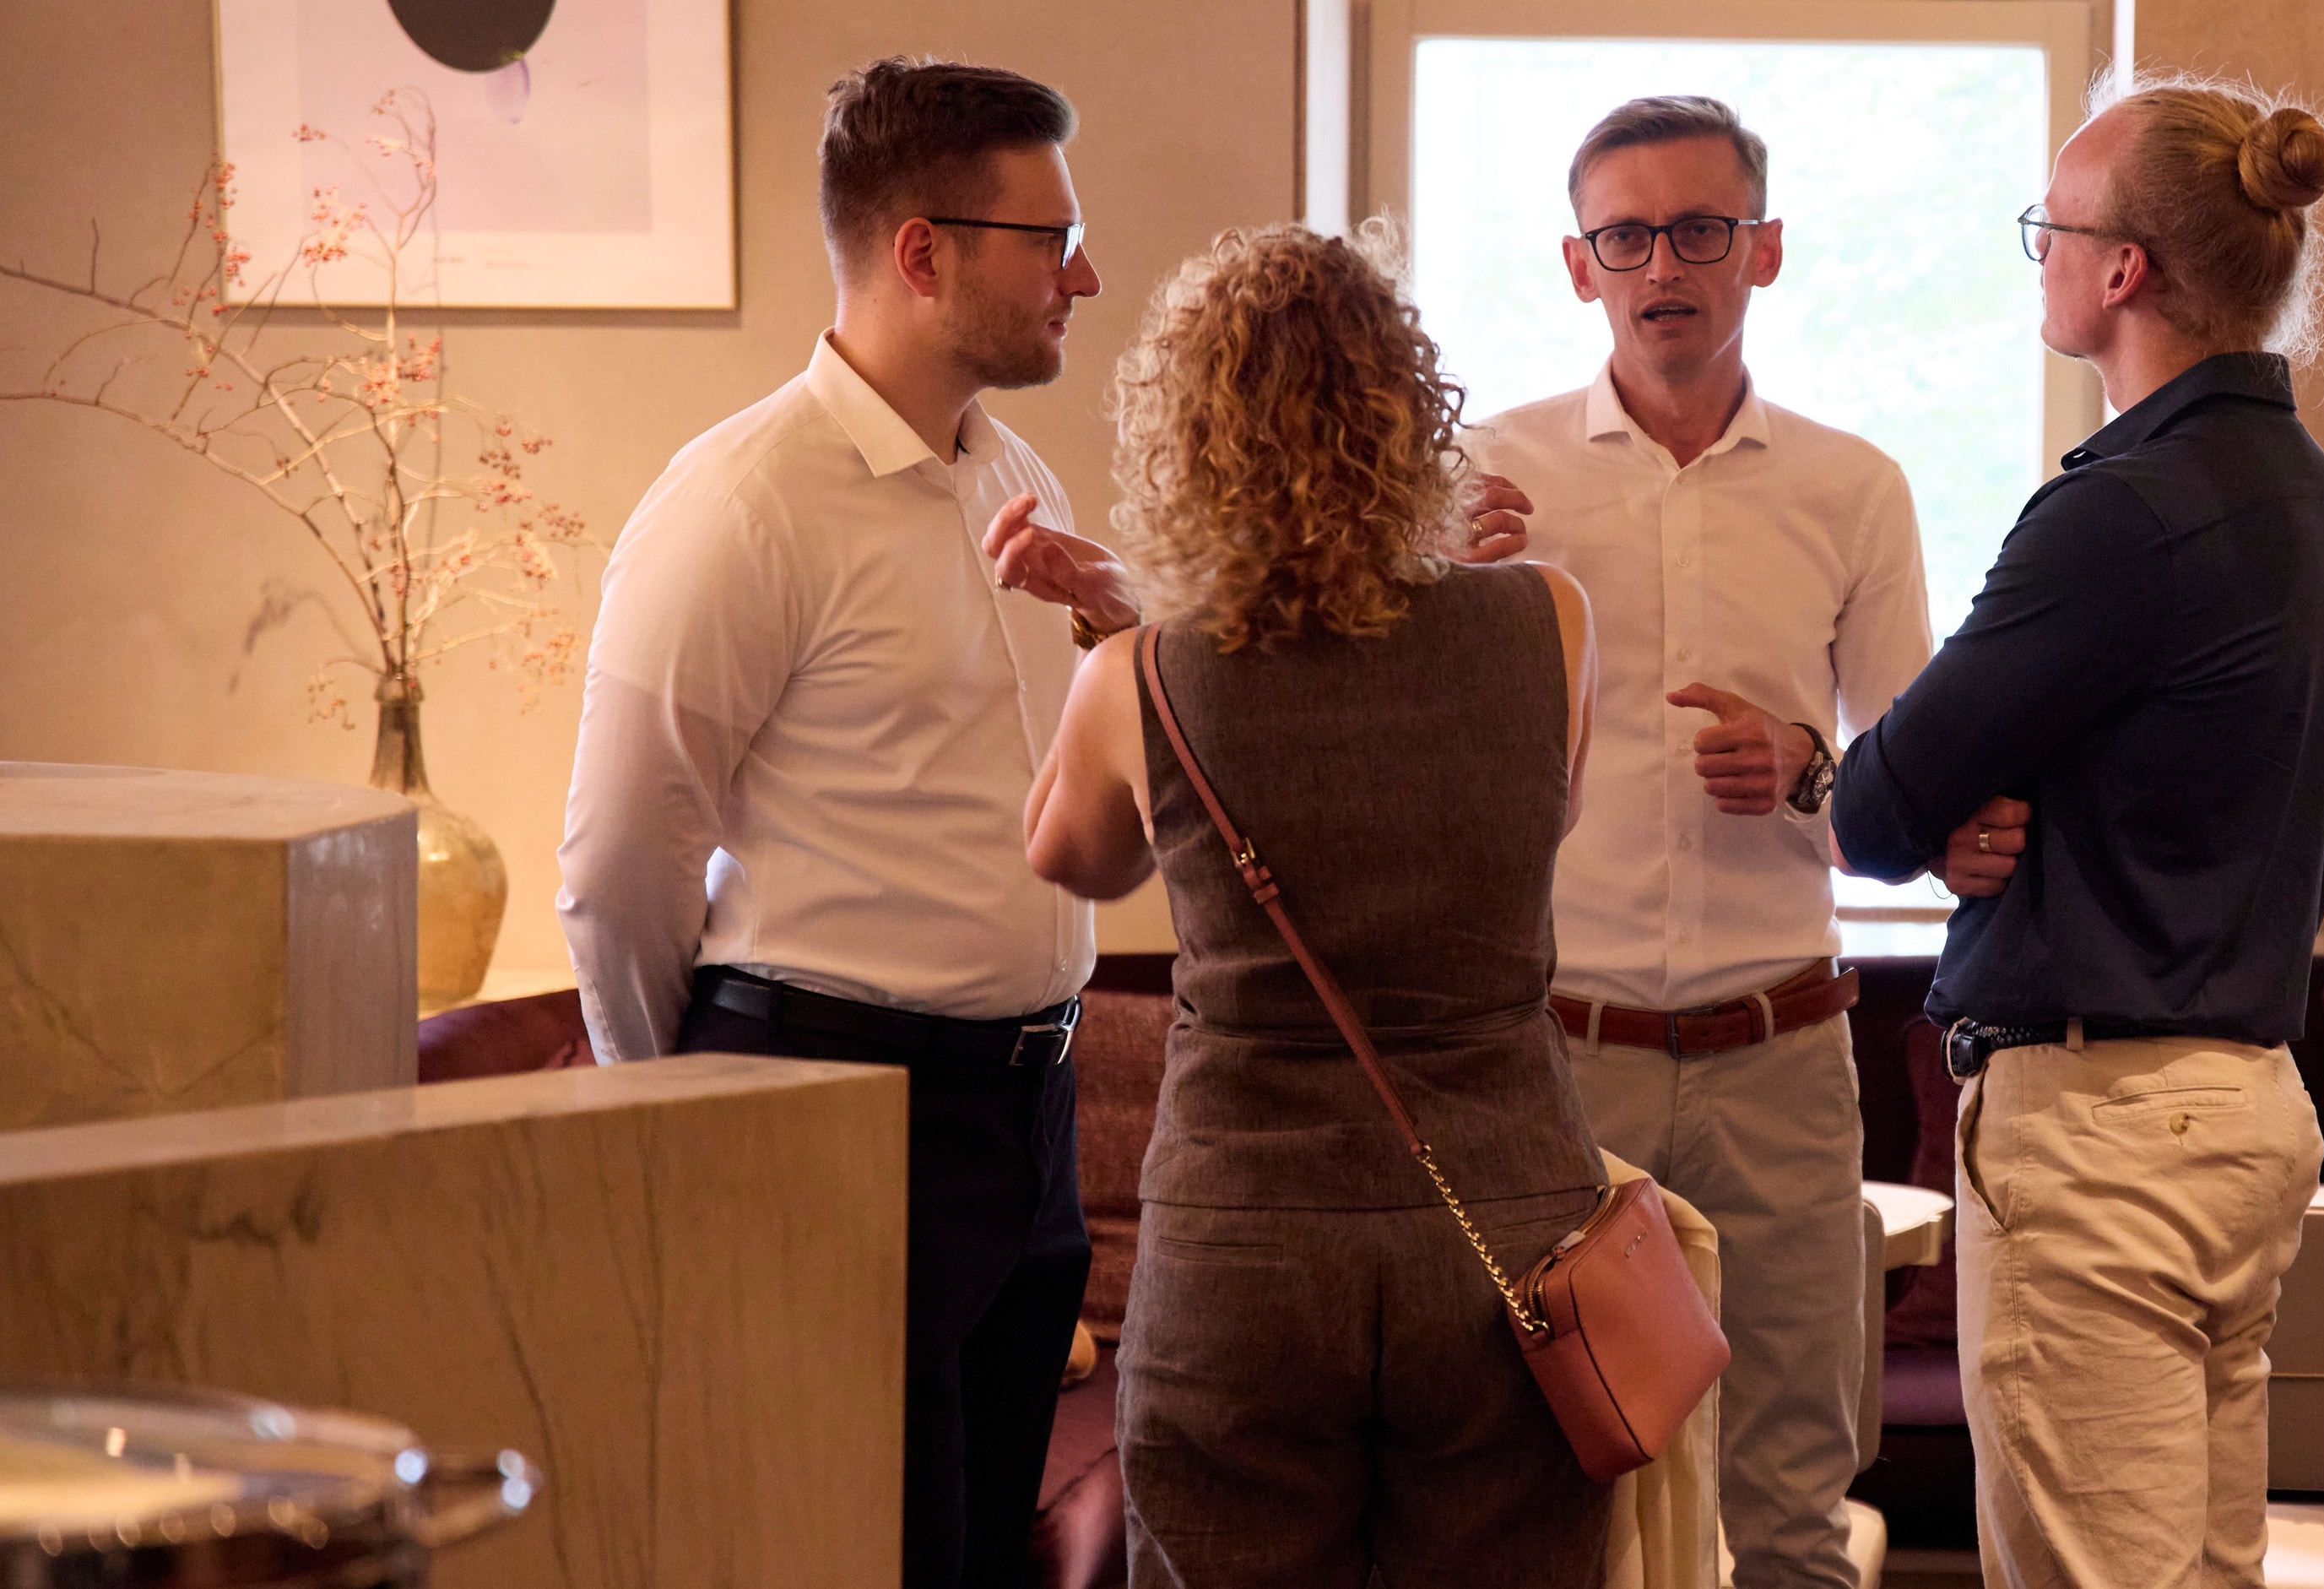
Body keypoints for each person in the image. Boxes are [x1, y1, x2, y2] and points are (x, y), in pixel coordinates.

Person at [557, 58, 1132, 1589]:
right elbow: (619, 863)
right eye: (1049, 238)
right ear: (921, 253)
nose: (1085, 274)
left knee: (983, 1554)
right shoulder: (738, 504)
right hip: (825, 1105)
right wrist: (685, 1125)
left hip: (1025, 1118)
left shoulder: (1016, 475)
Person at [1830, 73, 2324, 1589]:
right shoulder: (2318, 501)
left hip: (2107, 1136)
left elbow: (1876, 809)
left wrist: (1939, 811)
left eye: (2049, 231)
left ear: (2124, 268)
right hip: (2245, 1103)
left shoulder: (2121, 512)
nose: (2047, 261)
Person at [1022, 220, 1612, 1587]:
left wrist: (1116, 628)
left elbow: (1071, 856)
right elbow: (1540, 823)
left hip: (1245, 1240)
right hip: (1505, 1227)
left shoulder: (1145, 672)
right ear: (1413, 412)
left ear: (1187, 438)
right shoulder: (1553, 619)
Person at [1451, 95, 1932, 1589]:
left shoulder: (1852, 486)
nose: (1666, 263)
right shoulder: (1482, 479)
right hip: (1559, 1059)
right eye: (1629, 234)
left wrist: (1805, 771)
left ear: (1763, 250)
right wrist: (1439, 594)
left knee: (1793, 1500)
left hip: (1782, 1054)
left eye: (1702, 230)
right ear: (1580, 263)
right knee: (1541, 1487)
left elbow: (1904, 807)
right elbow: (1396, 765)